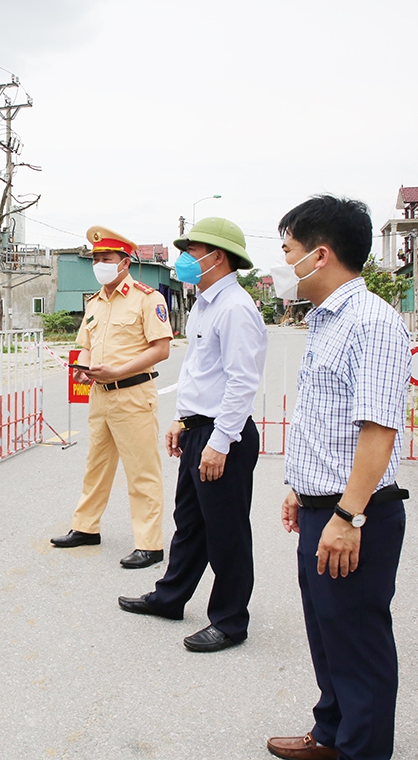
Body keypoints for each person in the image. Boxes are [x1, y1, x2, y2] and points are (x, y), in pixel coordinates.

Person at [265, 196, 410, 760]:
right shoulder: (327, 321)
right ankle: (331, 734)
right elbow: (328, 423)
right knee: (329, 636)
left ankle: (361, 750)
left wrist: (348, 516)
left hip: (358, 514)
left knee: (358, 644)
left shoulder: (370, 322)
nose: (281, 263)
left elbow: (378, 431)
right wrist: (304, 492)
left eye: (288, 251)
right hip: (325, 507)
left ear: (319, 255)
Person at [118, 217, 268, 652]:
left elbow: (242, 382)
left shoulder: (236, 308)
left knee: (226, 533)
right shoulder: (205, 303)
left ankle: (229, 620)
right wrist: (184, 421)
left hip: (226, 436)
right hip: (201, 430)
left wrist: (220, 441)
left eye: (191, 251)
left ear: (216, 256)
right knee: (190, 523)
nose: (183, 260)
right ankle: (170, 597)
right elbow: (202, 375)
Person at [51, 226, 173, 569]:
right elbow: (86, 346)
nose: (100, 264)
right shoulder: (95, 302)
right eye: (96, 259)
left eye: (106, 258)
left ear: (124, 263)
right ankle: (86, 527)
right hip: (101, 395)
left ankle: (150, 544)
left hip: (133, 394)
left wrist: (118, 372)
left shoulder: (148, 298)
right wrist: (84, 369)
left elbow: (161, 348)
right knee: (96, 466)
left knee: (142, 472)